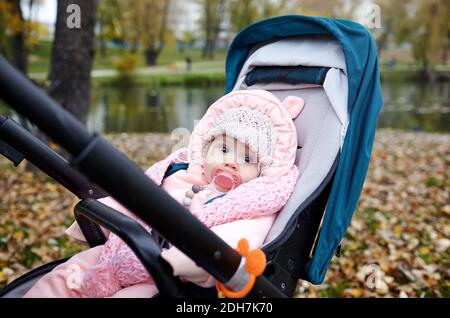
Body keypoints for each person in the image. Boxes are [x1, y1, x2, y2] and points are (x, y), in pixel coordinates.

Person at [23, 90, 304, 298]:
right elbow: (140, 197)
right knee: (67, 275)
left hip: (164, 276)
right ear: (204, 152)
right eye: (224, 149)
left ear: (262, 169)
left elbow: (239, 240)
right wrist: (101, 221)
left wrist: (196, 263)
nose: (232, 162)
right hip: (118, 254)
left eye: (247, 158)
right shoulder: (181, 173)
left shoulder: (251, 203)